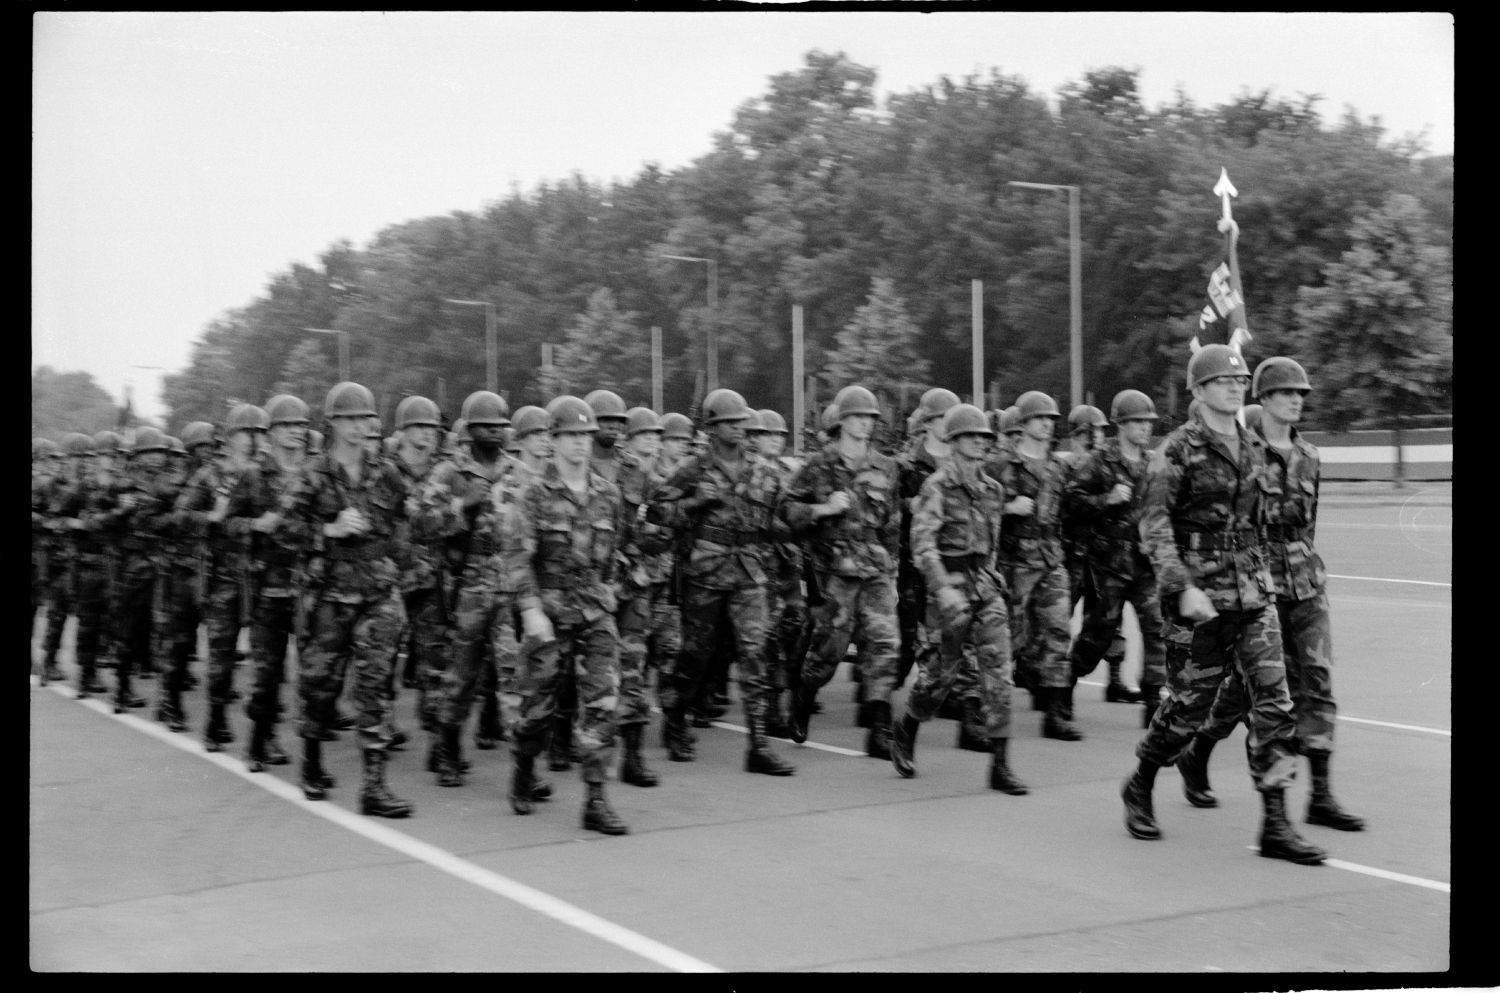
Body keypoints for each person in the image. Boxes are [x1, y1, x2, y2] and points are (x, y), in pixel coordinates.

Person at [1120, 344, 1325, 865]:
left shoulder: (1256, 447)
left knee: (1275, 705)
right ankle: (1141, 780)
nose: (1236, 386)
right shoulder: (1177, 450)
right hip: (1199, 599)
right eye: (1224, 380)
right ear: (1199, 390)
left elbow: (1268, 520)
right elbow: (1154, 524)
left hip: (1255, 595)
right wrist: (1179, 586)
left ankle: (1276, 823)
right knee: (1187, 711)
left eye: (1240, 381)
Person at [1176, 358, 1365, 833]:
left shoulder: (1310, 456)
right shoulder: (1244, 452)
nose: (1297, 399)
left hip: (1305, 584)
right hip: (1258, 586)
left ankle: (1320, 795)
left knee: (1317, 681)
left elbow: (1308, 524)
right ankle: (1198, 750)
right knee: (1247, 694)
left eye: (1301, 392)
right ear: (1263, 399)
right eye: (1286, 392)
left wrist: (1307, 570)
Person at [275, 381, 414, 818]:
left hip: (378, 594)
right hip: (328, 596)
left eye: (365, 418)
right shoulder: (313, 475)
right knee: (321, 685)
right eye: (350, 418)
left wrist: (400, 577)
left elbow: (403, 527)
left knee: (374, 688)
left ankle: (374, 786)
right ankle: (312, 765)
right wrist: (326, 531)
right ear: (332, 422)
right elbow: (283, 529)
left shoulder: (386, 473)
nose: (359, 426)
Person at [648, 388, 796, 776]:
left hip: (750, 574)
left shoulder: (764, 469)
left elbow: (783, 515)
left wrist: (807, 519)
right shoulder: (693, 470)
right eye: (728, 423)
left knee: (754, 653)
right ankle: (677, 718)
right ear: (712, 429)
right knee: (697, 655)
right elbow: (656, 512)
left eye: (740, 423)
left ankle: (758, 744)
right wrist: (695, 504)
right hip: (706, 575)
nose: (737, 429)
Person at [500, 395, 630, 834]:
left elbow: (612, 558)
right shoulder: (534, 495)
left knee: (602, 704)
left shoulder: (608, 495)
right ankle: (523, 767)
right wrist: (532, 611)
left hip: (595, 615)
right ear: (552, 441)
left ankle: (595, 798)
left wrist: (608, 595)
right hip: (550, 617)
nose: (580, 444)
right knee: (538, 711)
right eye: (570, 435)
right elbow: (517, 559)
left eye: (585, 436)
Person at [891, 403, 1027, 793]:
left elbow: (992, 544)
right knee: (939, 679)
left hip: (984, 590)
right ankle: (907, 726)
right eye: (971, 437)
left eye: (984, 437)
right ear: (953, 442)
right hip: (947, 592)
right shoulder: (936, 487)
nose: (980, 444)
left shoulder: (993, 490)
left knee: (999, 675)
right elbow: (922, 545)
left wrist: (992, 580)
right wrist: (943, 588)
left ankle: (1000, 766)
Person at [781, 386, 902, 759]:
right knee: (828, 651)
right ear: (843, 421)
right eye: (859, 416)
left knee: (885, 646)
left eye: (871, 417)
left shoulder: (886, 466)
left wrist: (893, 569)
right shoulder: (818, 466)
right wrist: (822, 510)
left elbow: (893, 523)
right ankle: (804, 694)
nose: (866, 423)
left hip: (875, 570)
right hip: (834, 571)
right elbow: (786, 510)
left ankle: (880, 729)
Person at [409, 390, 515, 788]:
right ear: (470, 431)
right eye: (486, 426)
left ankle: (525, 765)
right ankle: (448, 747)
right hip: (464, 583)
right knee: (461, 675)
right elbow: (421, 524)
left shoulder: (515, 470)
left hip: (506, 580)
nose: (495, 433)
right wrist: (462, 507)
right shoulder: (448, 473)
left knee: (512, 672)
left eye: (501, 427)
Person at [1063, 391, 1168, 728]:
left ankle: (1153, 702)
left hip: (1145, 567)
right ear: (1121, 424)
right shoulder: (1099, 461)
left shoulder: (1154, 464)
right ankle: (1064, 682)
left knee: (1157, 629)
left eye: (1148, 423)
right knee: (1099, 635)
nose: (1145, 429)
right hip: (1108, 567)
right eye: (1138, 422)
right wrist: (1105, 499)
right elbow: (1070, 503)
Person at [985, 391, 1081, 741]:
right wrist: (1008, 508)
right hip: (1013, 564)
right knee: (1008, 637)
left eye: (1051, 419)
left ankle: (1053, 712)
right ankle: (990, 706)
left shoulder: (1059, 467)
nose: (1046, 424)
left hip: (1051, 560)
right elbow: (973, 507)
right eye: (1040, 418)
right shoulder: (998, 466)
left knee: (1058, 632)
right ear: (1023, 424)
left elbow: (1071, 510)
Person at [223, 395, 309, 770]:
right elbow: (228, 522)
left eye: (301, 426)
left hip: (308, 587)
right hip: (267, 590)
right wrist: (256, 525)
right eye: (288, 426)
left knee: (313, 674)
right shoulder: (253, 476)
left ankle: (311, 758)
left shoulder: (314, 473)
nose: (296, 432)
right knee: (267, 674)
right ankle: (260, 741)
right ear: (271, 433)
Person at [175, 405, 268, 748]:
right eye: (247, 433)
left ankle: (264, 734)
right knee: (222, 655)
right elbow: (181, 514)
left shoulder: (265, 473)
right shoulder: (210, 474)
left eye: (260, 433)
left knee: (266, 659)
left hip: (259, 574)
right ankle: (215, 720)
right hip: (223, 577)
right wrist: (211, 518)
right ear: (229, 438)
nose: (255, 440)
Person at [610, 406, 679, 786]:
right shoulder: (585, 473)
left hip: (637, 582)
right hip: (592, 587)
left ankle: (632, 756)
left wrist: (646, 543)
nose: (653, 438)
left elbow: (666, 524)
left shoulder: (646, 478)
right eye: (643, 433)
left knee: (634, 665)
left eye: (657, 433)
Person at [1060, 405, 1136, 704]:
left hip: (1102, 555)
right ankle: (1052, 679)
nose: (1095, 437)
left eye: (1101, 430)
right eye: (1086, 433)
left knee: (1108, 618)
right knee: (1058, 617)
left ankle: (1115, 678)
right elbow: (1066, 508)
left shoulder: (1108, 466)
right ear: (1074, 436)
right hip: (1072, 553)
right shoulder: (1066, 467)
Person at [747, 408, 807, 738]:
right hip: (759, 564)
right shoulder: (750, 473)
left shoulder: (790, 471)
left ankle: (788, 700)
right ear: (754, 438)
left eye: (780, 435)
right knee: (766, 638)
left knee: (794, 627)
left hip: (788, 563)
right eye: (768, 434)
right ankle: (771, 709)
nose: (775, 440)